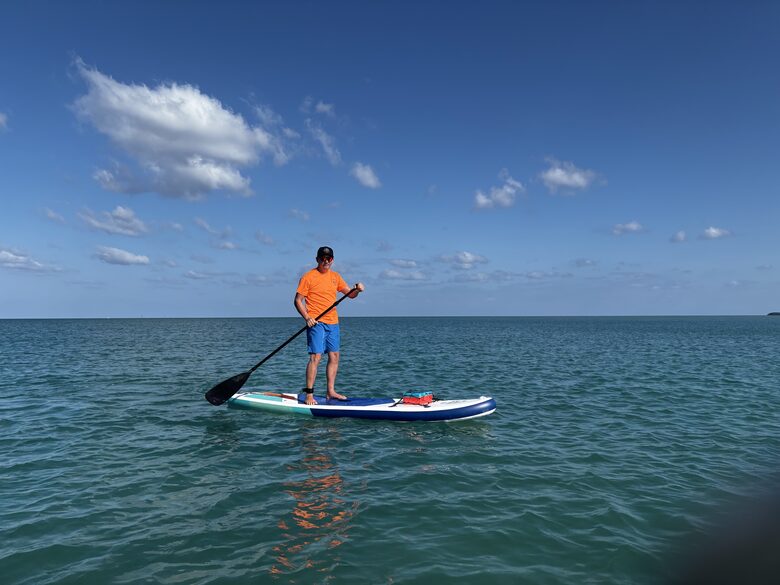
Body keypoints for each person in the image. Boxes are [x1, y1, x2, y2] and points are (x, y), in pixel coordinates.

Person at [294, 246, 364, 405]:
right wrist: (307, 317)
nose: (326, 261)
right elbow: (298, 300)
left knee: (334, 356)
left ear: (332, 260)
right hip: (316, 323)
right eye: (323, 258)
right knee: (315, 357)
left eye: (329, 258)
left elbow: (350, 294)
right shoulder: (308, 277)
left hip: (333, 322)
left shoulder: (335, 277)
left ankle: (330, 391)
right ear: (317, 259)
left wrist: (357, 290)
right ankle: (309, 394)